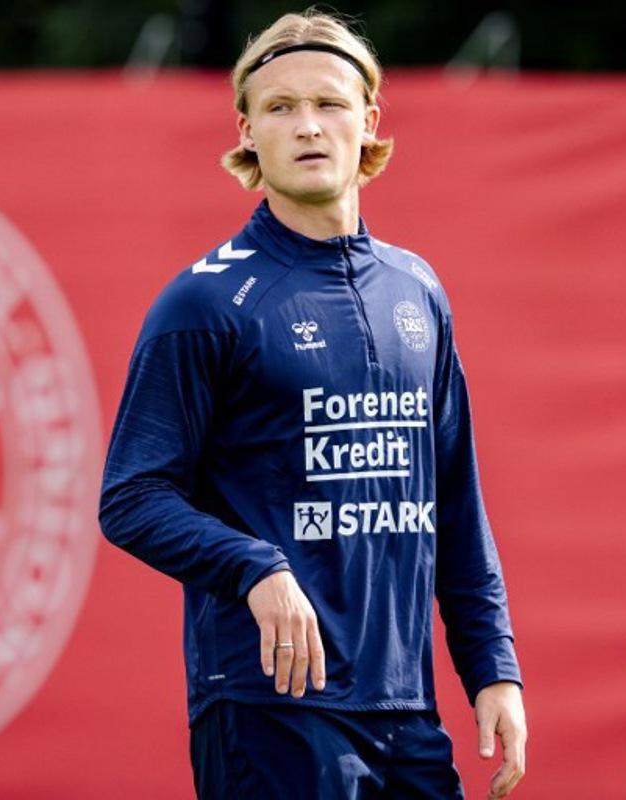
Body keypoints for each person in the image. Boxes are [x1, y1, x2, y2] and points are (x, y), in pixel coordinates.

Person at [99, 9, 526, 799]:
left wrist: (493, 668)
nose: (308, 126)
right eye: (280, 108)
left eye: (329, 105)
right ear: (247, 132)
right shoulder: (204, 301)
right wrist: (255, 567)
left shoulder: (417, 290)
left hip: (408, 708)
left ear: (368, 124)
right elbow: (131, 497)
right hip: (273, 706)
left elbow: (454, 502)